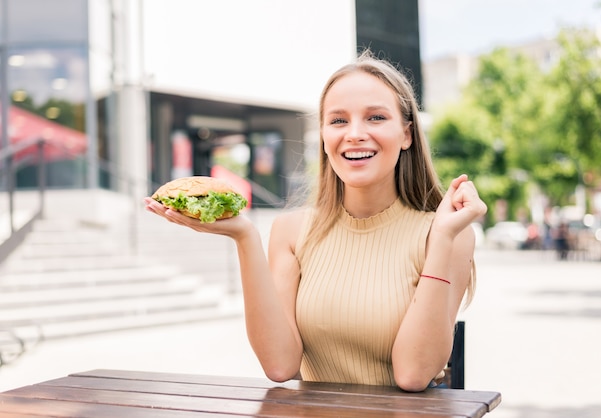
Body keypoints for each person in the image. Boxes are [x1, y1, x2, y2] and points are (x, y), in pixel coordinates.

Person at [144, 50, 488, 392]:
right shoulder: (292, 232)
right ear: (324, 138)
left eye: (376, 118)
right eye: (338, 121)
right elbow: (280, 365)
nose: (354, 133)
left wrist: (441, 238)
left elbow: (413, 375)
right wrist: (245, 237)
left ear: (407, 134)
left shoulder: (449, 236)